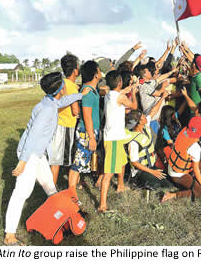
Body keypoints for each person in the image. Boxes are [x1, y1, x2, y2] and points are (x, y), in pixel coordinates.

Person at [4, 72, 90, 245]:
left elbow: (63, 101)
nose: (66, 86)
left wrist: (81, 95)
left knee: (50, 186)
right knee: (21, 193)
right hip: (30, 155)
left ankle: (67, 216)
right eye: (63, 84)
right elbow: (32, 136)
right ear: (60, 88)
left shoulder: (50, 101)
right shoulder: (47, 110)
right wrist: (23, 162)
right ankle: (9, 235)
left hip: (38, 154)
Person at [98, 70, 138, 213]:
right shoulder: (120, 97)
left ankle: (120, 186)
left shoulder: (109, 94)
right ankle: (102, 204)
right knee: (109, 173)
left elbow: (120, 92)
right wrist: (133, 93)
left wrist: (130, 88)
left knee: (122, 162)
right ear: (120, 83)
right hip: (114, 139)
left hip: (114, 136)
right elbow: (133, 106)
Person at [123, 93, 173, 190]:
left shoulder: (145, 127)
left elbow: (153, 111)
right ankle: (137, 183)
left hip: (151, 167)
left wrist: (162, 97)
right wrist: (152, 172)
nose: (146, 117)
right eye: (143, 117)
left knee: (168, 184)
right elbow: (135, 163)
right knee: (156, 186)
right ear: (139, 122)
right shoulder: (134, 142)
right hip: (140, 172)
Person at [68, 61, 102, 202]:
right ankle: (71, 195)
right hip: (87, 132)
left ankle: (73, 191)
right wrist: (92, 138)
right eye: (99, 70)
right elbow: (87, 116)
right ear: (95, 74)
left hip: (91, 131)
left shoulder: (91, 90)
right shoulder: (88, 93)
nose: (101, 72)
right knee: (77, 163)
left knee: (82, 161)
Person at [49, 54, 80, 185]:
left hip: (57, 123)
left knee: (59, 159)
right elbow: (75, 110)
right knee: (57, 162)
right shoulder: (72, 86)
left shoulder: (61, 83)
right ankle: (51, 191)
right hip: (66, 126)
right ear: (75, 70)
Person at [161, 117, 201, 202]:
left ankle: (190, 180)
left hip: (171, 167)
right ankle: (172, 195)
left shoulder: (184, 131)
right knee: (200, 193)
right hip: (178, 175)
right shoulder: (195, 147)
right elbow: (196, 169)